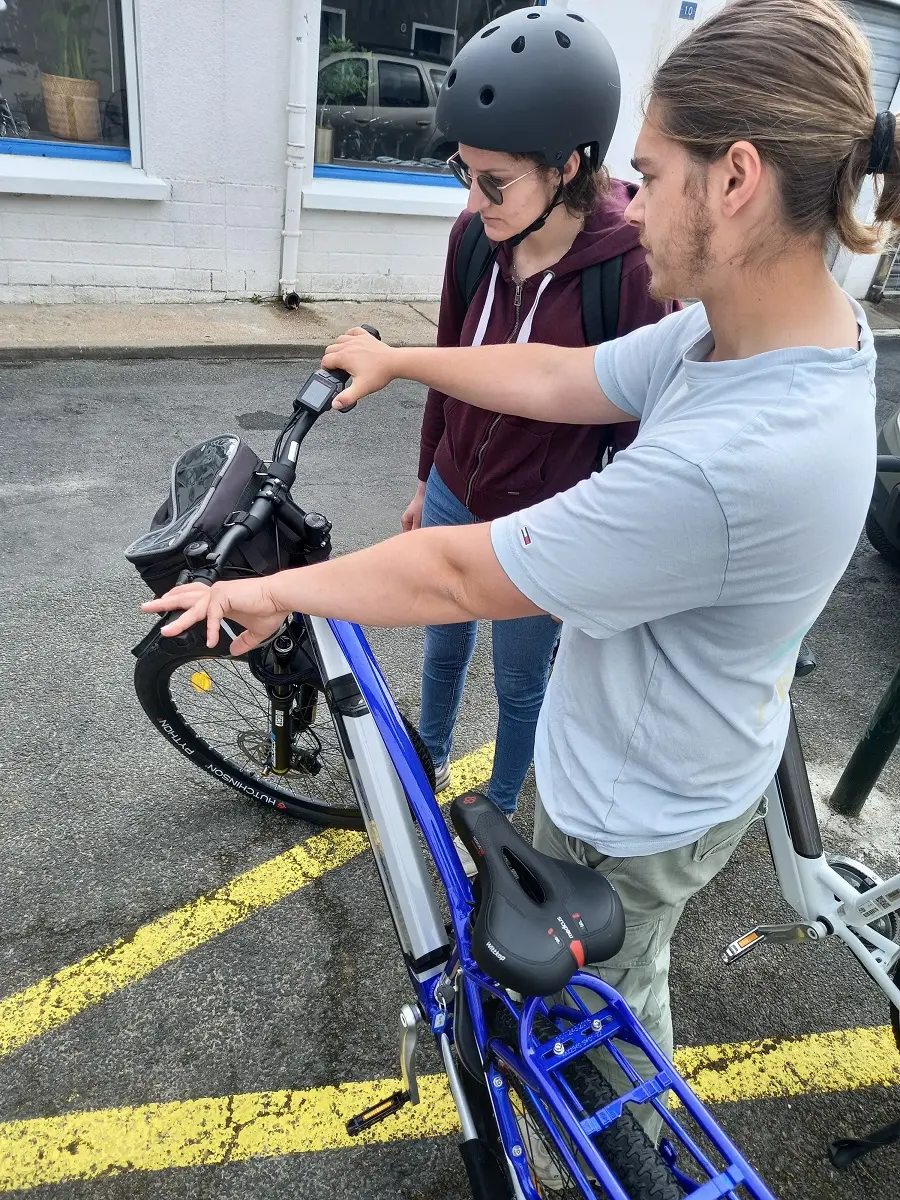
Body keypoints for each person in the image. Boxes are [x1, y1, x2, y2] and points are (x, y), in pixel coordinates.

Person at [144, 0, 887, 1140]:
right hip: (657, 746)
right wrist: (397, 363)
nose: (634, 212)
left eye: (652, 171)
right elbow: (563, 376)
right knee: (615, 987)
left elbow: (458, 578)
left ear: (734, 179)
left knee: (610, 1023)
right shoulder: (745, 331)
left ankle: (628, 1160)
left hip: (642, 804)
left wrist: (265, 590)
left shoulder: (741, 457)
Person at [404, 10, 674, 834]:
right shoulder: (473, 239)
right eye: (464, 172)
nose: (473, 197)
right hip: (456, 484)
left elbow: (634, 438)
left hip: (542, 518)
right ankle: (426, 762)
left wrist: (598, 552)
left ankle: (502, 805)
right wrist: (426, 479)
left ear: (568, 167)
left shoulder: (628, 272)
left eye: (495, 181)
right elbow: (449, 363)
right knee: (441, 644)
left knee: (524, 682)